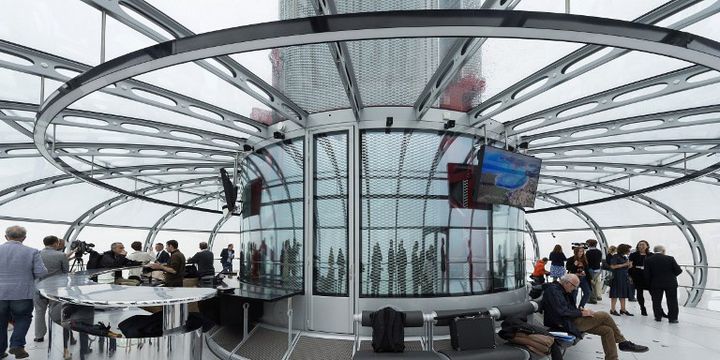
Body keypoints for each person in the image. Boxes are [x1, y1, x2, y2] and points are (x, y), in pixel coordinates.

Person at [543, 274, 648, 360]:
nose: (574, 289)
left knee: (607, 330)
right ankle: (623, 342)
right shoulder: (554, 291)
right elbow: (561, 311)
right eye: (574, 286)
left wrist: (579, 311)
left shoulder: (562, 290)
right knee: (604, 315)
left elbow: (565, 308)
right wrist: (581, 314)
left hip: (569, 320)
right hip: (564, 324)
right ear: (566, 283)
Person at [0, 225, 48, 359]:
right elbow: (41, 272)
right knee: (23, 318)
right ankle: (17, 344)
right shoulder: (32, 252)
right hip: (22, 293)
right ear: (24, 238)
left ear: (5, 237)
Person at [33, 235, 69, 343]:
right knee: (55, 312)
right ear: (55, 243)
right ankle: (55, 334)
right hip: (54, 288)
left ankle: (39, 336)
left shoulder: (36, 254)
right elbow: (65, 272)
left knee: (39, 312)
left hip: (38, 287)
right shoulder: (61, 255)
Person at [644, 245, 682, 323]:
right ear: (663, 251)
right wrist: (671, 275)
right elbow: (678, 271)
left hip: (655, 283)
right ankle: (673, 318)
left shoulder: (648, 260)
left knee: (656, 301)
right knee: (672, 301)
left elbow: (646, 274)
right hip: (670, 283)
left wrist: (649, 284)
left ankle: (658, 317)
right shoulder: (670, 258)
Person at [628, 240, 653, 316]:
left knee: (653, 293)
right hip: (637, 275)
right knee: (639, 292)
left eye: (643, 245)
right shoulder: (633, 255)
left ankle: (659, 310)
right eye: (639, 245)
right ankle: (642, 308)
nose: (641, 246)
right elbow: (630, 266)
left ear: (647, 246)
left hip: (648, 275)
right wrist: (630, 276)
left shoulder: (651, 255)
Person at [609, 244, 633, 316]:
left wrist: (629, 265)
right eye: (628, 249)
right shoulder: (615, 256)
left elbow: (626, 267)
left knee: (623, 293)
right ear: (624, 250)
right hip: (617, 277)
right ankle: (612, 309)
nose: (629, 251)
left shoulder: (625, 257)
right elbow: (612, 266)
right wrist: (624, 264)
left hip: (624, 277)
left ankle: (623, 309)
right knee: (615, 293)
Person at [585, 239, 603, 303]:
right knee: (597, 283)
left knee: (591, 284)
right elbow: (600, 260)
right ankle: (598, 296)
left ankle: (593, 298)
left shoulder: (588, 252)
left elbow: (586, 262)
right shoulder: (599, 251)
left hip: (590, 269)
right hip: (598, 269)